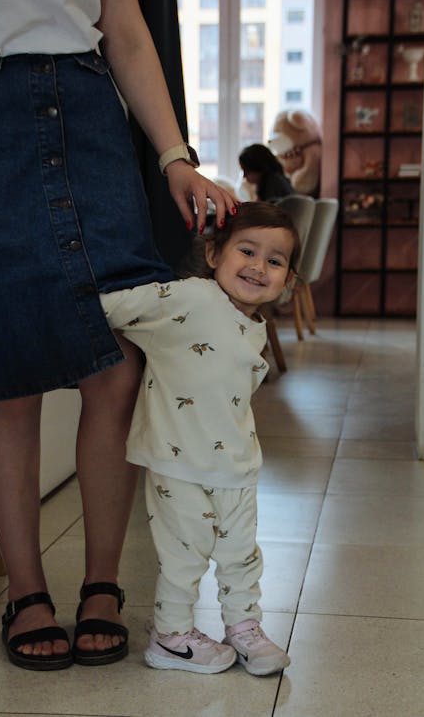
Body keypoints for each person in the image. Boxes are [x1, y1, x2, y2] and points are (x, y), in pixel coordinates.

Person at [0, 0, 237, 671]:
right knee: (10, 372)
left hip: (89, 111)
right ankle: (26, 593)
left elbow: (125, 30)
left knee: (117, 366)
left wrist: (173, 157)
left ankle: (103, 583)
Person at [101, 201, 300, 675]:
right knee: (183, 555)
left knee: (241, 556)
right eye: (247, 251)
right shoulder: (191, 297)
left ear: (288, 281)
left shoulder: (254, 324)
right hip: (179, 464)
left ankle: (244, 629)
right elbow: (116, 307)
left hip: (236, 464)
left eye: (274, 261)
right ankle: (170, 637)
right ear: (214, 254)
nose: (258, 266)